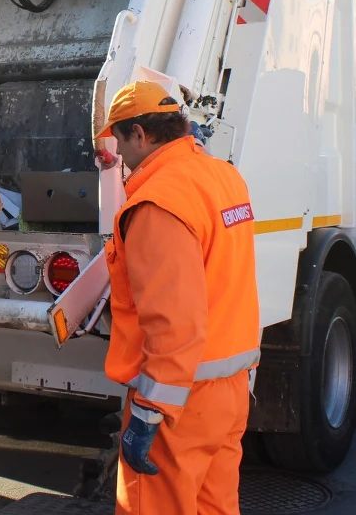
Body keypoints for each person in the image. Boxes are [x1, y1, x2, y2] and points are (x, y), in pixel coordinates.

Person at [95, 80, 260, 515]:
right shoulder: (225, 177)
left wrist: (150, 411)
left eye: (119, 139)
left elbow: (174, 321)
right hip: (230, 389)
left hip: (179, 403)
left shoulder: (157, 204)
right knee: (215, 507)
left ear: (140, 134)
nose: (117, 151)